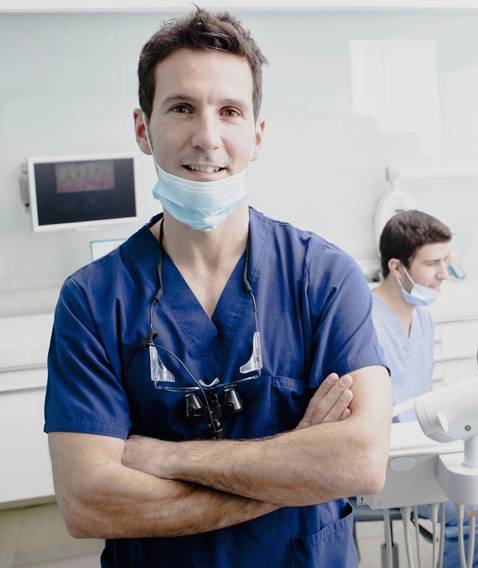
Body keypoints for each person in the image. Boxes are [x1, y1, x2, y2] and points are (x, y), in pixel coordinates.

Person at [43, 8, 392, 567]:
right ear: (143, 129)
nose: (207, 137)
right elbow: (88, 502)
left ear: (256, 134)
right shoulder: (92, 300)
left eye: (229, 111)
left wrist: (171, 459)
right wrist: (294, 469)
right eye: (182, 108)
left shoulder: (323, 277)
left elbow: (360, 464)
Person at [372, 210, 478, 567]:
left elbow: (425, 395)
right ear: (397, 267)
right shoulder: (364, 323)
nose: (443, 274)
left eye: (445, 262)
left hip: (422, 448)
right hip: (386, 460)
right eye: (432, 264)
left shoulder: (424, 319)